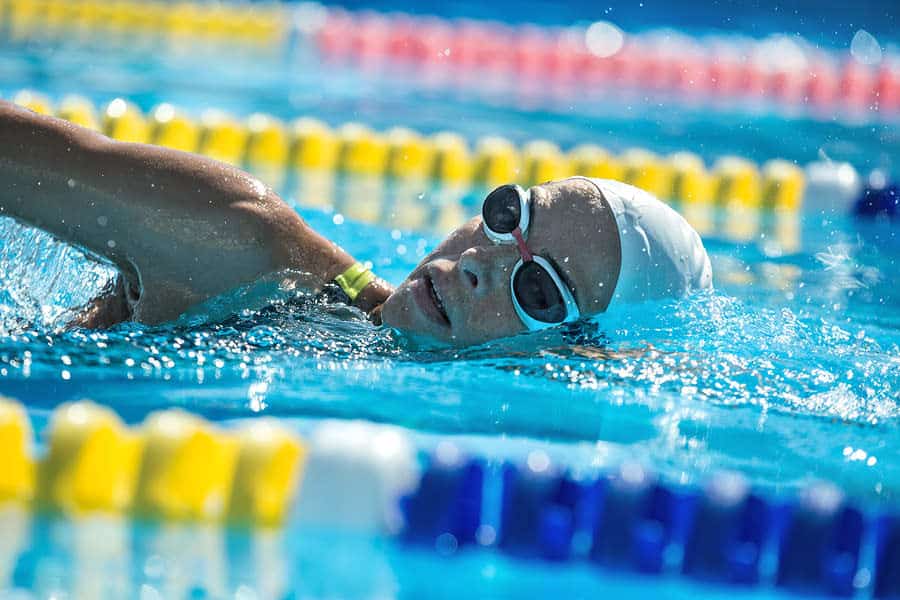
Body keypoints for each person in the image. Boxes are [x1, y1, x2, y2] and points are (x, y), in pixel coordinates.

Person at [0, 100, 712, 347]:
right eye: (508, 217)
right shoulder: (239, 243)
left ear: (572, 359)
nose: (478, 264)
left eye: (539, 290)